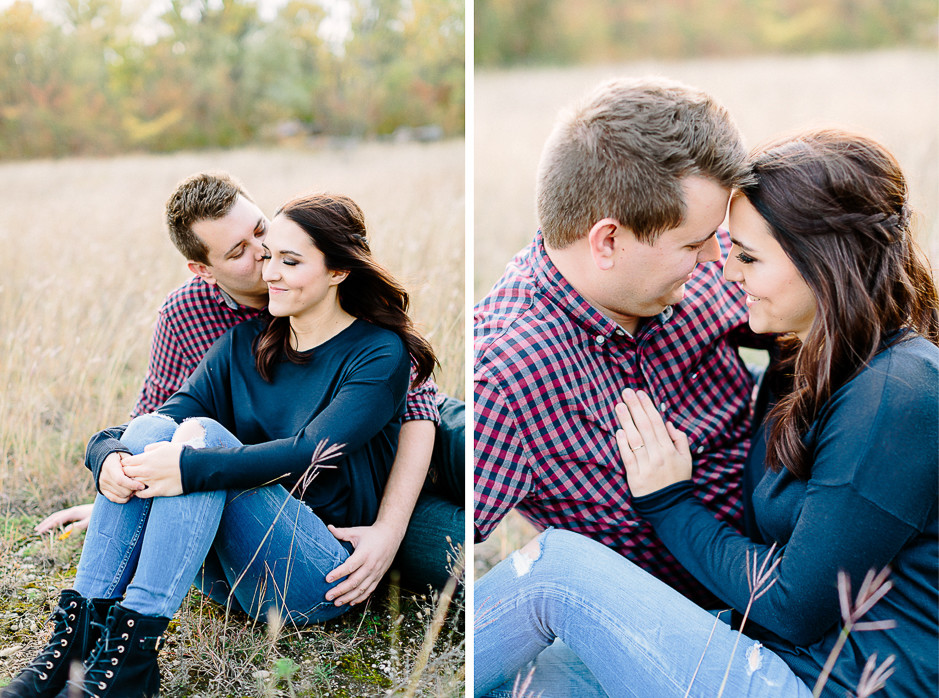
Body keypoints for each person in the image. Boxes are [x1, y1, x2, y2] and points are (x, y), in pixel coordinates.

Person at [474, 130, 939, 697]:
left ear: (824, 261)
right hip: (756, 650)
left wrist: (669, 503)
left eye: (745, 255)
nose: (723, 271)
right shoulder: (815, 356)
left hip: (823, 685)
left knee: (557, 571)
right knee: (531, 680)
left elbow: (794, 608)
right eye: (715, 247)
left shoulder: (897, 395)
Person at [3, 193, 439, 698]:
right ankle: (77, 643)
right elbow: (157, 418)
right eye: (269, 254)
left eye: (289, 261)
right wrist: (105, 456)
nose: (268, 270)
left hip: (317, 575)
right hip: (223, 574)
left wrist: (188, 466)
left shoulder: (378, 353)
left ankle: (131, 652)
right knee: (148, 432)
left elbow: (310, 450)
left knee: (201, 438)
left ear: (339, 271)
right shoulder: (242, 344)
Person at [34, 173, 464, 600]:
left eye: (261, 231)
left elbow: (415, 408)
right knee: (191, 436)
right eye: (241, 251)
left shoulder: (329, 273)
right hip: (259, 482)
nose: (263, 256)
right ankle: (103, 629)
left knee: (475, 467)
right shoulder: (195, 319)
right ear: (203, 269)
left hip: (386, 440)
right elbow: (156, 420)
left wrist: (389, 528)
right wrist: (126, 487)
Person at [474, 76, 756, 606]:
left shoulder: (693, 258)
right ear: (608, 240)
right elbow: (445, 536)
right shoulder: (507, 372)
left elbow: (812, 329)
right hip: (682, 624)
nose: (717, 258)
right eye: (696, 243)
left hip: (805, 550)